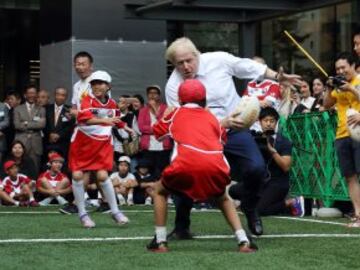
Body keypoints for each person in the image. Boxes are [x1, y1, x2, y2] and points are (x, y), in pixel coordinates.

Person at [164, 37, 301, 237]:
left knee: (257, 168)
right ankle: (182, 225)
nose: (185, 66)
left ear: (197, 55)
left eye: (189, 60)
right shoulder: (173, 86)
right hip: (201, 138)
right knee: (182, 174)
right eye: (179, 63)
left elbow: (248, 67)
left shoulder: (218, 60)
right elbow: (183, 122)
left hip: (235, 130)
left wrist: (276, 77)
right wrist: (219, 124)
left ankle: (250, 207)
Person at [147, 79, 256, 253]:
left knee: (159, 191)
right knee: (223, 198)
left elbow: (157, 133)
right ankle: (243, 240)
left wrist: (165, 114)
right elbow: (222, 140)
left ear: (180, 100)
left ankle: (160, 241)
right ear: (204, 100)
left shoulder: (175, 112)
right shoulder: (212, 117)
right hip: (216, 165)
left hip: (185, 163)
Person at [68, 70, 131, 228]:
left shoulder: (112, 104)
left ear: (108, 86)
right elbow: (85, 119)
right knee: (77, 176)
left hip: (102, 144)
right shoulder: (86, 100)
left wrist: (126, 127)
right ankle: (83, 214)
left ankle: (115, 212)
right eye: (94, 83)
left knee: (103, 176)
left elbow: (116, 118)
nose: (97, 86)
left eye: (101, 83)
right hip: (82, 143)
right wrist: (106, 120)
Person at [230, 107, 304, 216]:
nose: (268, 124)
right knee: (233, 191)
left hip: (277, 183)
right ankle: (254, 202)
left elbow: (286, 167)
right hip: (260, 182)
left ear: (276, 122)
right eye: (265, 121)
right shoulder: (255, 138)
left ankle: (291, 202)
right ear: (259, 122)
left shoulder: (283, 141)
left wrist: (272, 151)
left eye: (272, 121)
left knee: (259, 211)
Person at [323, 52, 360, 227]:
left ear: (353, 66)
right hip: (342, 134)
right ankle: (358, 215)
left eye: (343, 67)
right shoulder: (339, 86)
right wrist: (330, 87)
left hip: (358, 134)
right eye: (337, 68)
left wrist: (351, 89)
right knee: (350, 177)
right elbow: (326, 104)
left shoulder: (358, 81)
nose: (340, 71)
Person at [138, 85, 172, 179]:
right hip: (148, 147)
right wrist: (158, 130)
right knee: (149, 173)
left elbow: (167, 127)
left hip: (163, 147)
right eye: (150, 93)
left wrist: (154, 109)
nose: (152, 95)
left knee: (163, 172)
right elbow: (141, 128)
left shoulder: (166, 109)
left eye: (155, 93)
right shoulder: (143, 110)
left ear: (159, 95)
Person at [13, 85, 46, 174]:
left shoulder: (41, 109)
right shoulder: (18, 109)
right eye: (30, 93)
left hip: (36, 144)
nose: (32, 95)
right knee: (19, 169)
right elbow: (17, 125)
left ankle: (34, 187)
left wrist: (26, 123)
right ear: (25, 95)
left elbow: (42, 125)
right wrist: (34, 124)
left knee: (35, 169)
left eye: (34, 93)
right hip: (21, 142)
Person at [43, 87, 75, 165]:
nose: (60, 97)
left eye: (63, 95)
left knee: (62, 165)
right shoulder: (46, 109)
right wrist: (50, 134)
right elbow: (44, 124)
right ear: (54, 95)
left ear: (66, 97)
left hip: (62, 143)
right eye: (58, 94)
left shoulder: (70, 110)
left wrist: (59, 135)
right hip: (48, 142)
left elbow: (70, 126)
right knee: (46, 165)